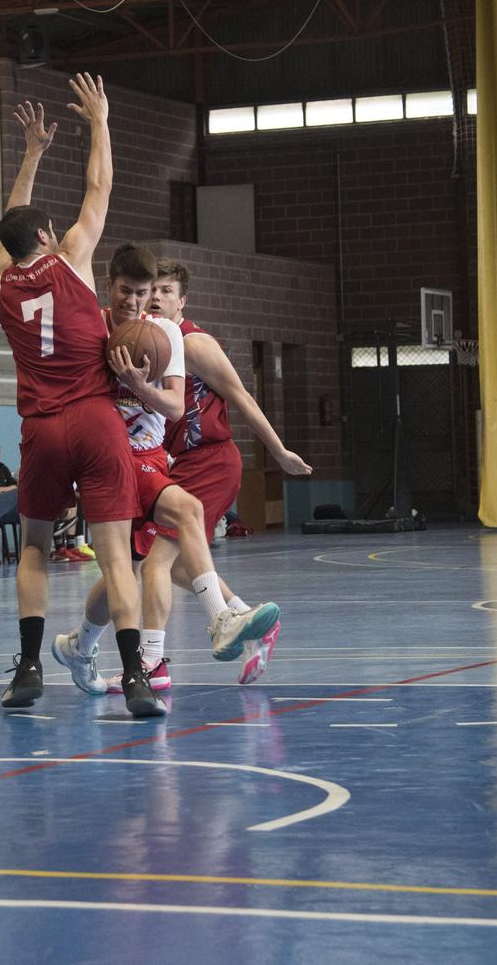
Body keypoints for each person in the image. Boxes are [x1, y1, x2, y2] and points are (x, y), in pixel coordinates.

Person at [0, 79, 162, 718]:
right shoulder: (72, 257)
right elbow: (100, 188)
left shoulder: (3, 283)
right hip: (94, 419)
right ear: (49, 232)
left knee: (34, 547)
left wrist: (30, 154)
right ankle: (136, 675)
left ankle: (29, 665)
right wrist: (100, 122)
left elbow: (9, 229)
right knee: (114, 553)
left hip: (40, 429)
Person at [51, 245, 279, 703]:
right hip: (110, 461)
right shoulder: (91, 327)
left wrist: (136, 385)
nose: (141, 300)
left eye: (151, 292)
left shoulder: (172, 338)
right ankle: (91, 646)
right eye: (132, 291)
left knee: (158, 548)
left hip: (165, 459)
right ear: (111, 287)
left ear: (178, 300)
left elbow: (177, 406)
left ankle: (207, 625)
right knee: (132, 566)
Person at [144, 257, 312, 684]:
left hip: (212, 461)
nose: (158, 297)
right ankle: (249, 619)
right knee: (182, 568)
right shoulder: (150, 341)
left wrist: (278, 451)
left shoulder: (193, 343)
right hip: (183, 464)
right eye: (154, 290)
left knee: (156, 562)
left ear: (182, 302)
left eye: (167, 291)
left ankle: (151, 663)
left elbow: (241, 396)